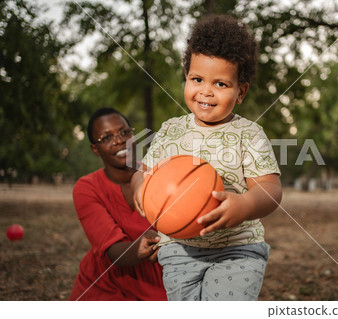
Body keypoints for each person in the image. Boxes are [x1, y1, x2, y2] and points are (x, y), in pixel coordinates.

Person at [131, 15, 282, 301]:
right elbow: (144, 172)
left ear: (241, 92)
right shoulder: (171, 130)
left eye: (221, 84)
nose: (206, 91)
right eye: (197, 79)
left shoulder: (248, 133)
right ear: (186, 78)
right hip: (178, 249)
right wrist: (140, 186)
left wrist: (247, 203)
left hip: (237, 250)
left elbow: (271, 189)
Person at [69, 107, 166, 301]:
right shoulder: (87, 188)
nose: (119, 140)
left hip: (156, 287)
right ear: (95, 149)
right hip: (102, 288)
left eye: (124, 132)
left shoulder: (160, 175)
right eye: (106, 138)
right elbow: (112, 251)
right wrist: (139, 248)